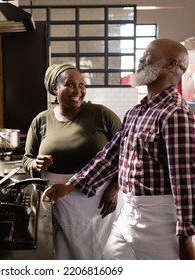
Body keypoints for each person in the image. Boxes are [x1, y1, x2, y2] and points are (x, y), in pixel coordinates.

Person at [42, 38, 195, 260]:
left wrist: (186, 239)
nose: (140, 60)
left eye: (148, 56)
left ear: (170, 64)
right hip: (128, 214)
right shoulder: (137, 112)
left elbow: (187, 183)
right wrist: (69, 186)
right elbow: (109, 156)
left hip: (162, 224)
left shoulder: (175, 116)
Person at [22, 63, 123, 259]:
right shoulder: (41, 120)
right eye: (70, 84)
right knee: (66, 252)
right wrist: (35, 165)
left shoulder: (101, 114)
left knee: (102, 252)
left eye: (82, 84)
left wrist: (115, 187)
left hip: (100, 198)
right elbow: (27, 159)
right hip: (58, 199)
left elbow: (126, 152)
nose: (78, 90)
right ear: (54, 89)